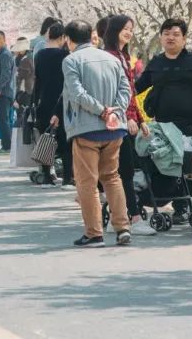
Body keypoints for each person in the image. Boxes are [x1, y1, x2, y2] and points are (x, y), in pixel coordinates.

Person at [135, 17, 192, 223]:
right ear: (160, 37)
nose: (170, 38)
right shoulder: (156, 63)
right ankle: (180, 207)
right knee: (169, 166)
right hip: (165, 128)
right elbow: (137, 89)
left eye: (175, 34)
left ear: (184, 39)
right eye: (166, 34)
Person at [63, 19, 133, 247]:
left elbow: (77, 94)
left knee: (87, 182)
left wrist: (101, 111)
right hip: (115, 128)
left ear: (68, 39)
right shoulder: (112, 59)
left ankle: (94, 233)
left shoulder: (71, 60)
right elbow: (126, 89)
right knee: (112, 177)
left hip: (87, 128)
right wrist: (115, 111)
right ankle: (123, 227)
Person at [102, 14, 154, 235]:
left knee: (123, 171)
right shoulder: (109, 57)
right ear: (113, 30)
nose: (129, 32)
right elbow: (114, 93)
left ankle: (121, 215)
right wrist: (128, 117)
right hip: (117, 123)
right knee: (123, 171)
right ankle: (131, 217)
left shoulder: (124, 56)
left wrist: (140, 118)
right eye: (124, 28)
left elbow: (131, 93)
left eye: (131, 29)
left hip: (126, 121)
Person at [31, 22, 69, 186]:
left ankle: (46, 174)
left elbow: (37, 81)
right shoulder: (65, 56)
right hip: (60, 102)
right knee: (65, 141)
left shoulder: (39, 55)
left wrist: (34, 102)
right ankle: (68, 177)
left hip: (43, 101)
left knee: (46, 138)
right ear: (62, 37)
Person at [0, 30, 16, 155]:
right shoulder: (1, 54)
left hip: (5, 92)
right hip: (4, 92)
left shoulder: (5, 55)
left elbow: (6, 75)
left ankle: (7, 147)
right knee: (3, 120)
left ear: (4, 40)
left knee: (3, 120)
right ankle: (6, 146)